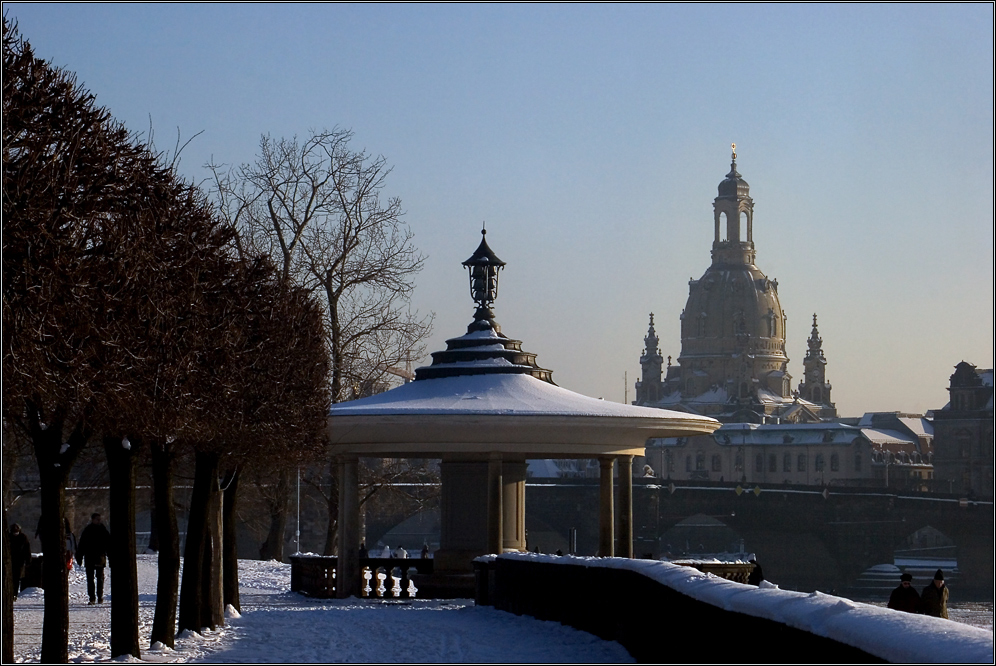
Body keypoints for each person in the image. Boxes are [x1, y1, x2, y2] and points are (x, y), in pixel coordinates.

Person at [76, 513, 111, 605]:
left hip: (100, 557)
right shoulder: (88, 530)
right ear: (92, 519)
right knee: (90, 579)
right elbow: (82, 544)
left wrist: (110, 557)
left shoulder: (103, 530)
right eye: (97, 519)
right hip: (90, 558)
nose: (99, 521)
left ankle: (99, 596)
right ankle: (92, 597)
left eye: (100, 519)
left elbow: (108, 545)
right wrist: (79, 557)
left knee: (99, 578)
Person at [9, 524, 31, 600]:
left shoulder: (23, 537)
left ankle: (14, 594)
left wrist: (28, 560)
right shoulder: (8, 537)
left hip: (19, 561)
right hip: (10, 561)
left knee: (16, 579)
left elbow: (27, 549)